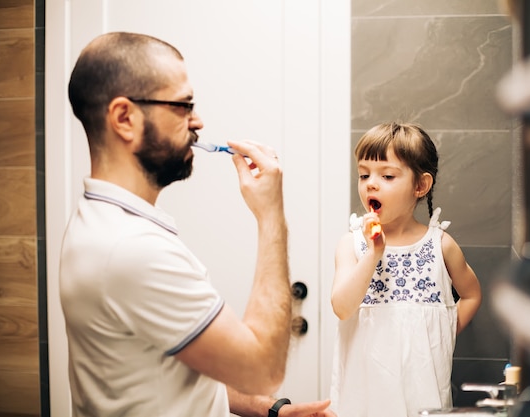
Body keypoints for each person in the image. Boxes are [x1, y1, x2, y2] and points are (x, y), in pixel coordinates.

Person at [59, 31, 335, 417]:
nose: (198, 121)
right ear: (124, 118)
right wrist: (271, 214)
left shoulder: (104, 221)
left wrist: (270, 410)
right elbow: (262, 370)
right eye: (183, 106)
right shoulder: (130, 248)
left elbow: (179, 358)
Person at [329, 122, 482, 417]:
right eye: (364, 175)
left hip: (422, 398)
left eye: (387, 175)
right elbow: (342, 308)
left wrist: (442, 332)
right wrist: (374, 253)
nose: (371, 184)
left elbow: (472, 294)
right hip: (363, 399)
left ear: (420, 186)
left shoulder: (441, 245)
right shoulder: (351, 245)